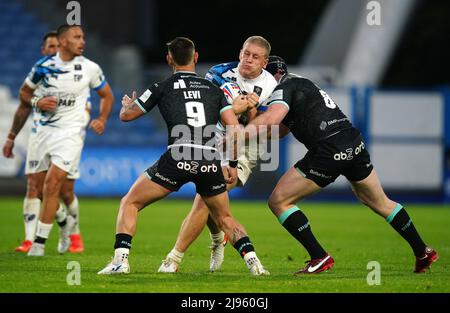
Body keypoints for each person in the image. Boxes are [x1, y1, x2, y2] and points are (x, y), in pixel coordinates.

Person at [244, 56, 438, 274]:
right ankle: (423, 252)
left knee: (279, 201)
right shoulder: (299, 84)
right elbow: (281, 131)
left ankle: (319, 257)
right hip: (353, 142)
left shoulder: (283, 87)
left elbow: (271, 119)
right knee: (380, 202)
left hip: (329, 149)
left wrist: (241, 129)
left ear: (268, 76)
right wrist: (255, 127)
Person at [97, 37, 269, 276]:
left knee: (130, 202)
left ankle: (120, 261)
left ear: (169, 59)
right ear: (195, 58)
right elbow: (234, 128)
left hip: (178, 155)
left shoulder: (161, 87)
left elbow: (127, 116)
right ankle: (255, 264)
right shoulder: (214, 90)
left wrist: (128, 106)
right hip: (209, 158)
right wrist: (230, 163)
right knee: (225, 217)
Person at [158, 36, 277, 273]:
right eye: (245, 53)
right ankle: (218, 239)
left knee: (204, 200)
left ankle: (173, 259)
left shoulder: (272, 87)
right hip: (212, 140)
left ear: (264, 62)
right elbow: (205, 110)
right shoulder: (219, 72)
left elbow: (264, 129)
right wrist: (234, 109)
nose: (248, 60)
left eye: (255, 57)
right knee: (212, 198)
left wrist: (251, 111)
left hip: (245, 147)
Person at [21, 24, 114, 256]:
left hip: (71, 134)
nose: (82, 41)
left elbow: (107, 95)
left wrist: (101, 118)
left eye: (83, 36)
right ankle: (65, 225)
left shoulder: (90, 68)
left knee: (53, 184)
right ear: (62, 42)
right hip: (42, 133)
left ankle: (39, 244)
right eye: (77, 37)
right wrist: (37, 103)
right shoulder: (43, 67)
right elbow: (24, 92)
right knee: (41, 190)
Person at [2, 30, 85, 254]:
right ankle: (31, 240)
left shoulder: (76, 78)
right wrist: (11, 137)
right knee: (36, 188)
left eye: (58, 47)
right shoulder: (37, 78)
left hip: (66, 140)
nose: (54, 50)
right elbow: (23, 107)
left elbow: (85, 109)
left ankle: (73, 232)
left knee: (65, 192)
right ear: (43, 50)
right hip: (39, 138)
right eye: (50, 47)